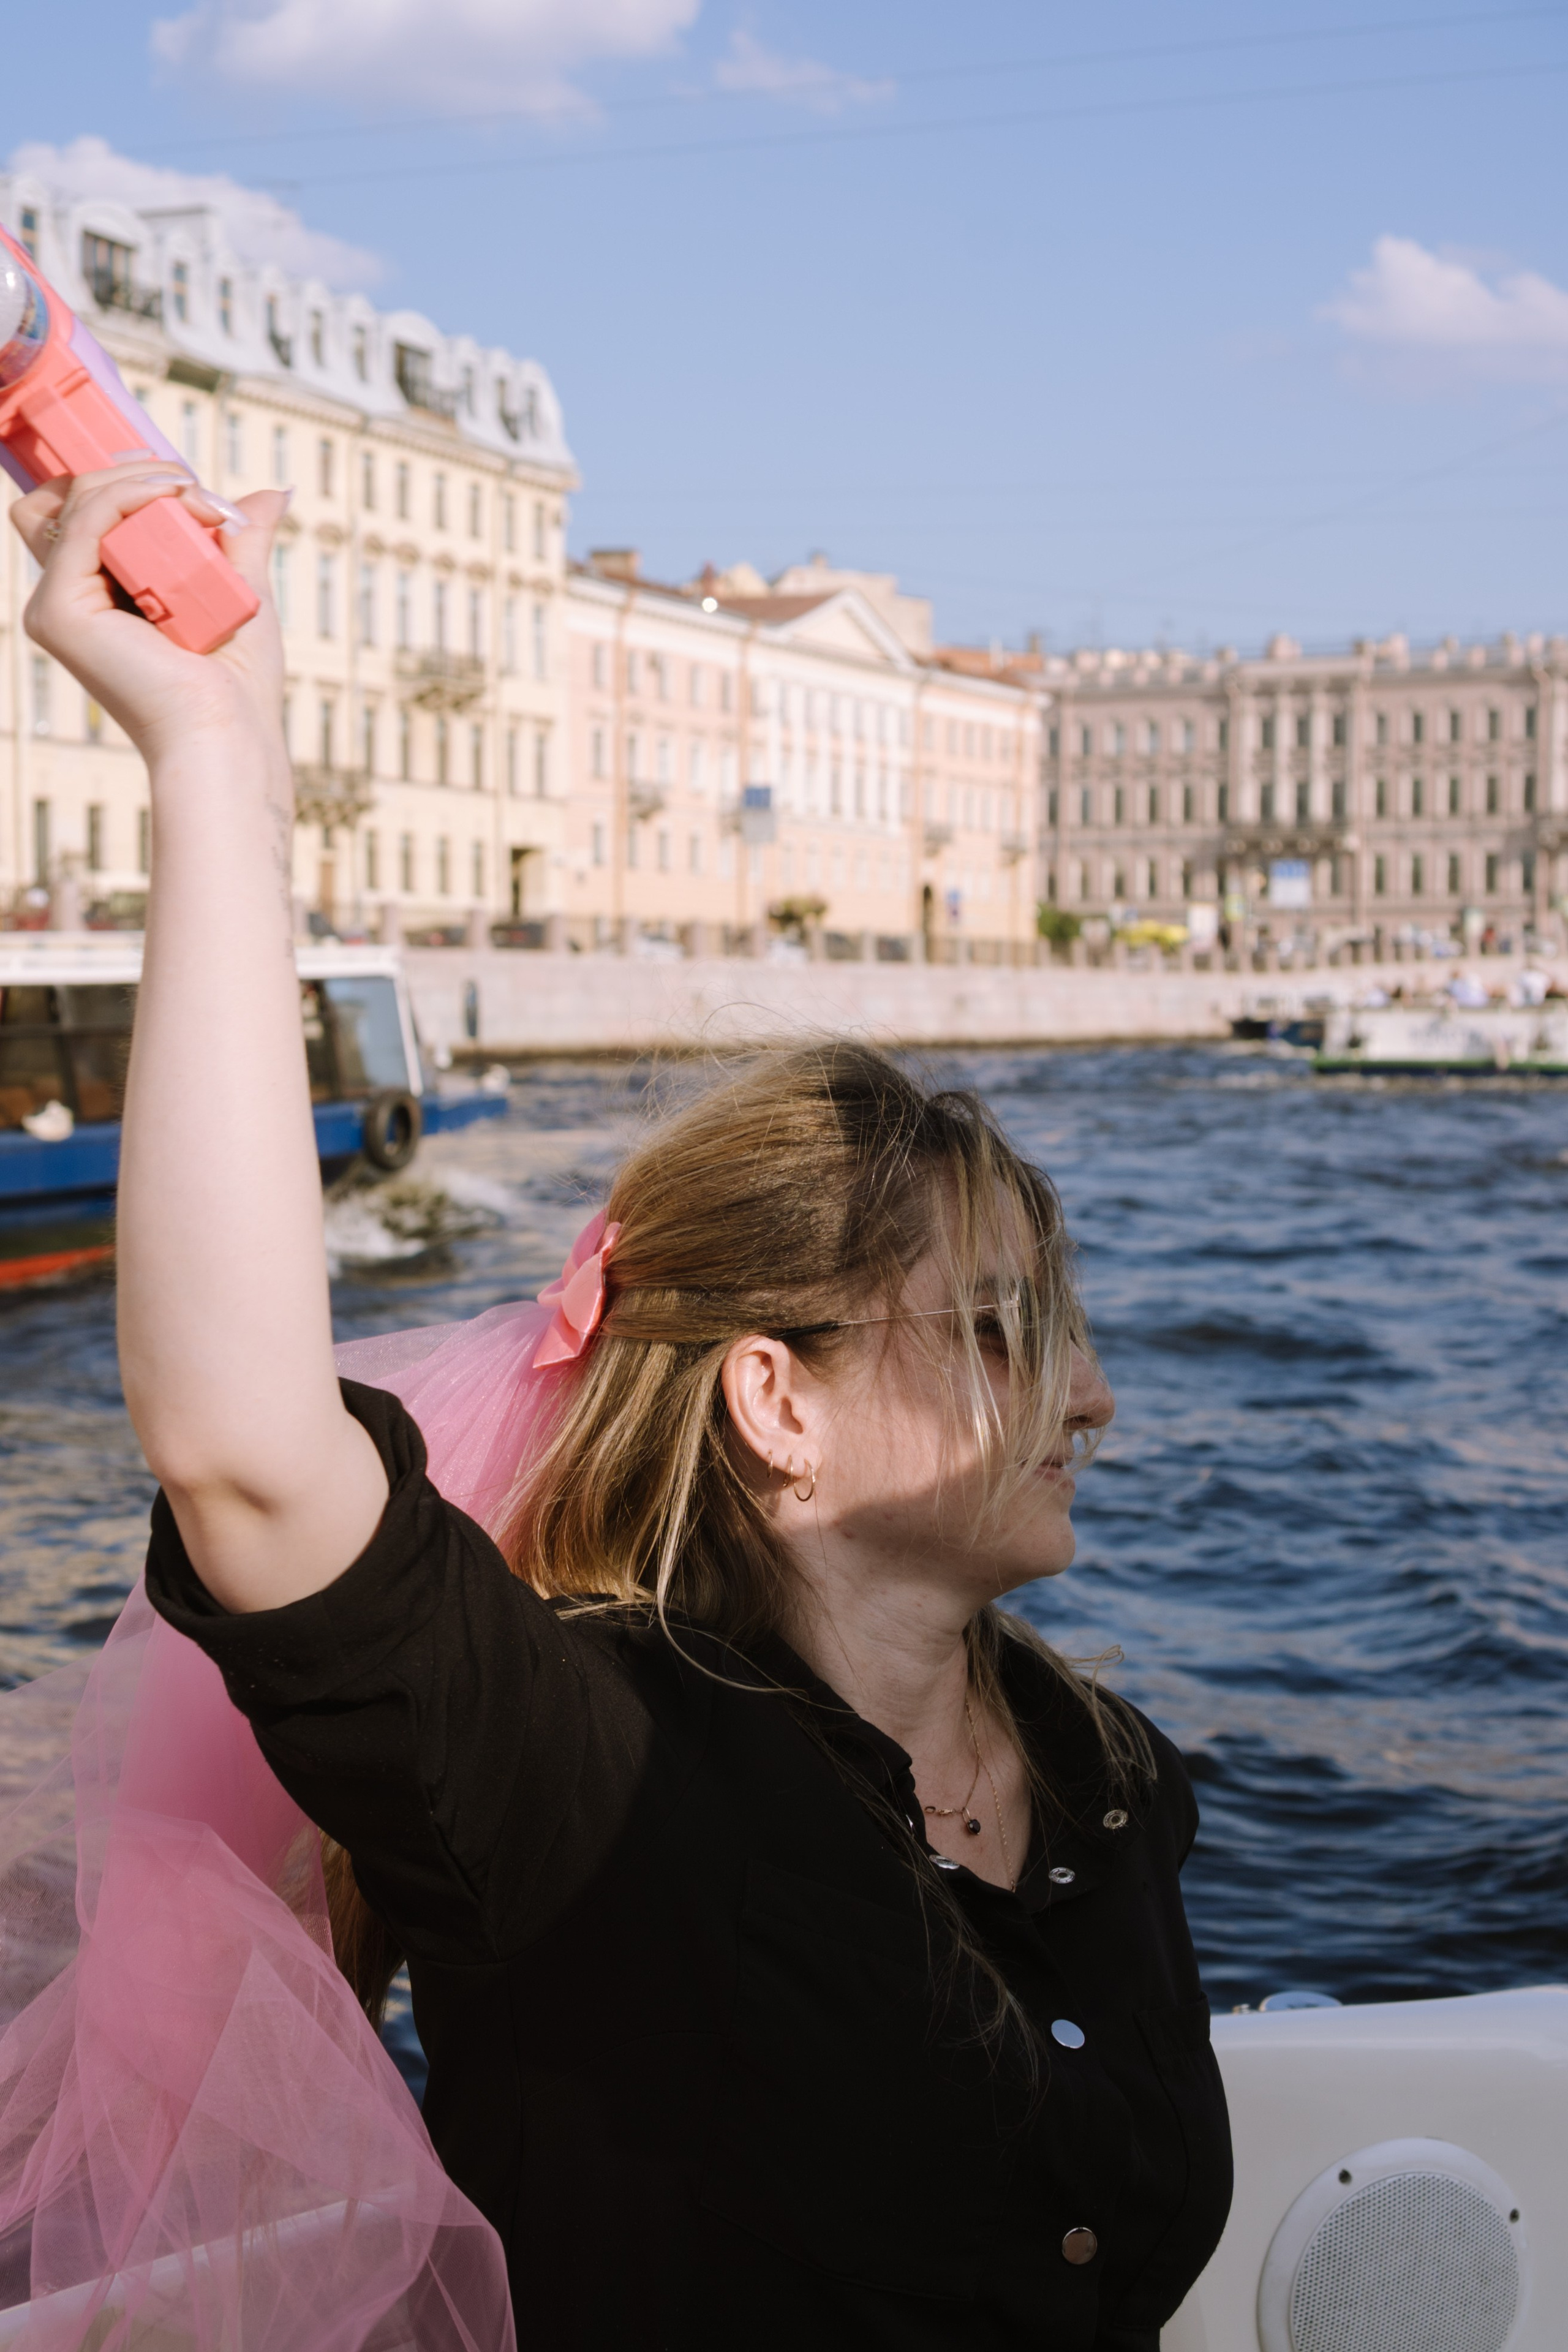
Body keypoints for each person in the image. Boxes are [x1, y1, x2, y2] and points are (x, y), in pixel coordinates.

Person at [13, 462, 1231, 2351]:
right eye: (1005, 1332)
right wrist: (212, 761)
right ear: (776, 1402)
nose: (1092, 1397)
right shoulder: (587, 1775)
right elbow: (246, 1450)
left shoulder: (1110, 1778)